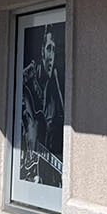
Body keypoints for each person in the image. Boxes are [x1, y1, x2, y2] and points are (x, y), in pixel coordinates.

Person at [19, 27, 65, 185]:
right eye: (49, 48)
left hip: (44, 175)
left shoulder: (54, 93)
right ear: (42, 52)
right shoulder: (26, 82)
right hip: (27, 170)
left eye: (54, 50)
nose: (51, 55)